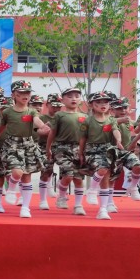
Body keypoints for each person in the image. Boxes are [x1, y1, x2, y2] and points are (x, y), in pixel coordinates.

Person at [0, 81, 49, 218]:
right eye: (21, 93)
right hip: (12, 144)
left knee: (26, 176)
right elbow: (2, 126)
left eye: (28, 92)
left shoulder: (31, 111)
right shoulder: (7, 112)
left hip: (28, 144)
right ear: (14, 95)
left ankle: (25, 208)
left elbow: (36, 120)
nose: (25, 95)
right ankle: (11, 188)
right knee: (17, 172)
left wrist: (42, 127)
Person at [79, 91, 123, 220]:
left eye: (106, 102)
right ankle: (92, 189)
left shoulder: (111, 120)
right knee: (102, 169)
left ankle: (103, 210)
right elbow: (82, 138)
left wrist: (119, 140)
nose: (103, 105)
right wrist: (80, 153)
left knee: (106, 178)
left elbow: (115, 131)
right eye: (98, 102)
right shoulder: (87, 121)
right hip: (92, 150)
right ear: (92, 104)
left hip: (108, 150)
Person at [45, 86, 87, 215]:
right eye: (69, 96)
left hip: (78, 148)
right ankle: (62, 195)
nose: (73, 99)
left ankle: (78, 205)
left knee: (78, 178)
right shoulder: (59, 115)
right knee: (68, 175)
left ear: (80, 99)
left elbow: (85, 136)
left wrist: (83, 151)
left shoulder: (84, 116)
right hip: (61, 148)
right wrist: (48, 148)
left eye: (76, 96)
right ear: (63, 100)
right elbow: (52, 132)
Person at [35, 93, 62, 209]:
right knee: (46, 172)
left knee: (68, 172)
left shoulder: (63, 117)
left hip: (61, 147)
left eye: (58, 106)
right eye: (53, 106)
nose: (56, 109)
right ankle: (42, 200)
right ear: (47, 105)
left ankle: (59, 193)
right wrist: (44, 130)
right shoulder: (42, 118)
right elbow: (36, 131)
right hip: (44, 147)